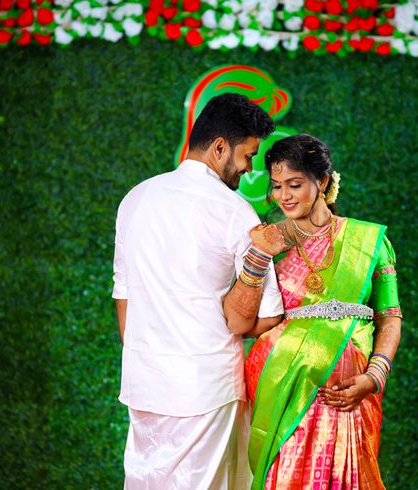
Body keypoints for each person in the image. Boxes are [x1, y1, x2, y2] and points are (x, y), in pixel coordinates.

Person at [112, 93, 287, 489]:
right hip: (206, 386)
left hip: (145, 382)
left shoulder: (135, 198)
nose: (249, 169)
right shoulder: (233, 210)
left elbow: (124, 300)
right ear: (220, 147)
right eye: (247, 156)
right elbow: (267, 318)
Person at [244, 134, 403, 489]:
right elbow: (245, 321)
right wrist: (257, 256)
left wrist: (374, 377)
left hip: (348, 394)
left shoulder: (368, 241)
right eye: (276, 186)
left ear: (323, 182)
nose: (283, 196)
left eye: (294, 185)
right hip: (282, 387)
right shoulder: (268, 241)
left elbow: (389, 316)